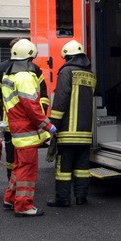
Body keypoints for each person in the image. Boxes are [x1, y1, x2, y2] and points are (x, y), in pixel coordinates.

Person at [2, 39, 57, 217]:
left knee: (19, 167)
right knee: (28, 169)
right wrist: (48, 125)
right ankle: (24, 205)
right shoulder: (25, 77)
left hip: (17, 129)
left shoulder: (9, 75)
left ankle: (10, 198)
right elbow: (31, 107)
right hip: (27, 131)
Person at [0, 37, 49, 181]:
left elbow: (42, 92)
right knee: (21, 153)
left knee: (13, 152)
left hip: (10, 119)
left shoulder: (3, 68)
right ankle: (20, 181)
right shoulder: (31, 68)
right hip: (23, 120)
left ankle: (14, 181)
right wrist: (41, 114)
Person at [48, 40, 97, 207]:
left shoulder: (67, 71)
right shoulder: (90, 74)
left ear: (67, 56)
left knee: (63, 167)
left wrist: (53, 124)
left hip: (68, 131)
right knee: (82, 166)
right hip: (85, 131)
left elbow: (61, 99)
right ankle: (81, 197)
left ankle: (62, 199)